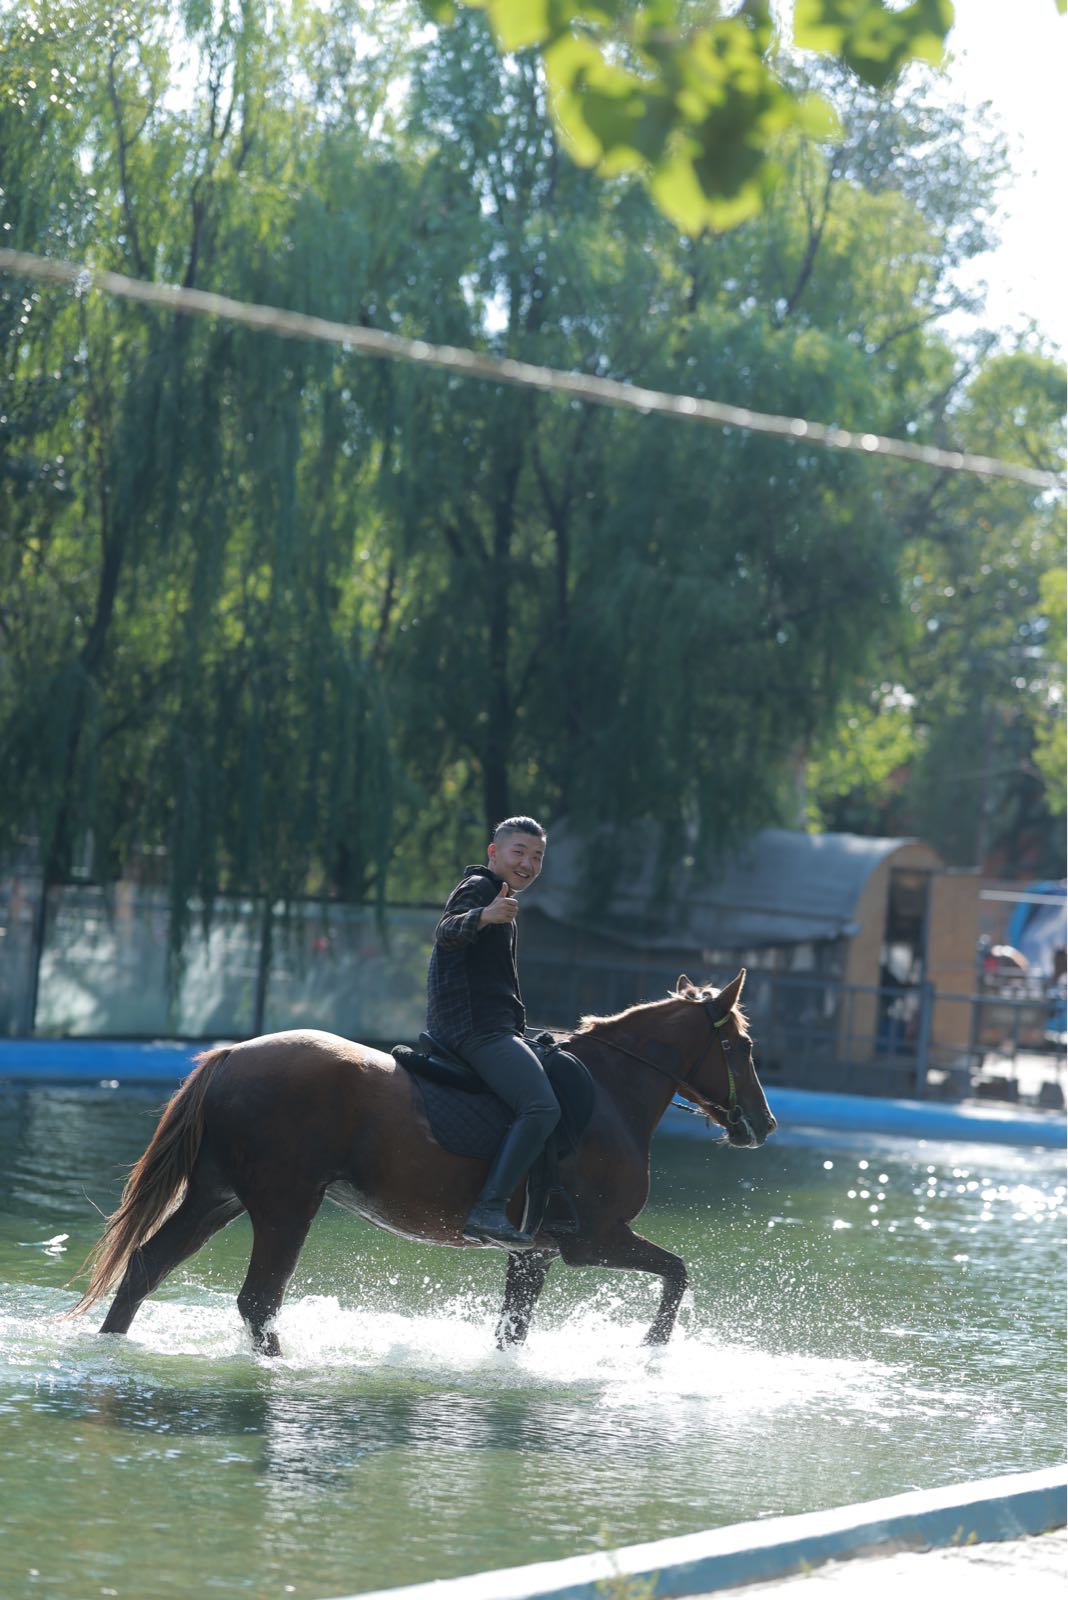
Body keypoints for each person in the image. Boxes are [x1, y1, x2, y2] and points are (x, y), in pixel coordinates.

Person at [426, 816, 560, 1250]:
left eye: (537, 856)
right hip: (473, 1031)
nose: (528, 863)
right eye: (518, 851)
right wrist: (484, 915)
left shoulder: (504, 903)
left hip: (492, 1026)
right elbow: (445, 933)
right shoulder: (482, 888)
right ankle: (488, 1209)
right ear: (493, 852)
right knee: (541, 1107)